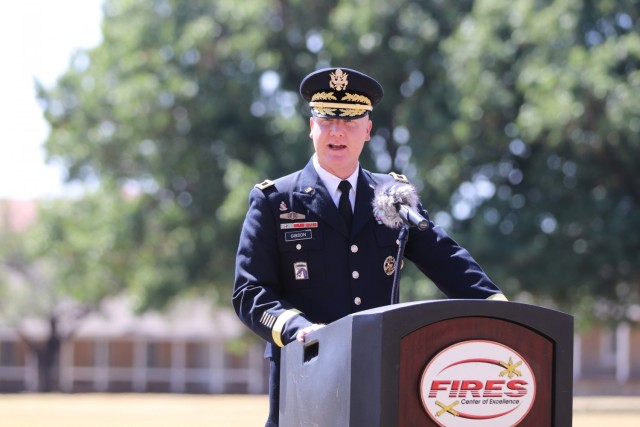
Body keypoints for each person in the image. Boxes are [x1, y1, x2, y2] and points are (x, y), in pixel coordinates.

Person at [232, 67, 507, 426]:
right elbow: (249, 290)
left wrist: (497, 306)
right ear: (310, 127)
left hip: (379, 366)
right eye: (327, 119)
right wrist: (295, 327)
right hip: (305, 369)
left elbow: (445, 257)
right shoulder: (275, 200)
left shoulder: (392, 196)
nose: (337, 131)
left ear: (368, 130)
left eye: (349, 121)